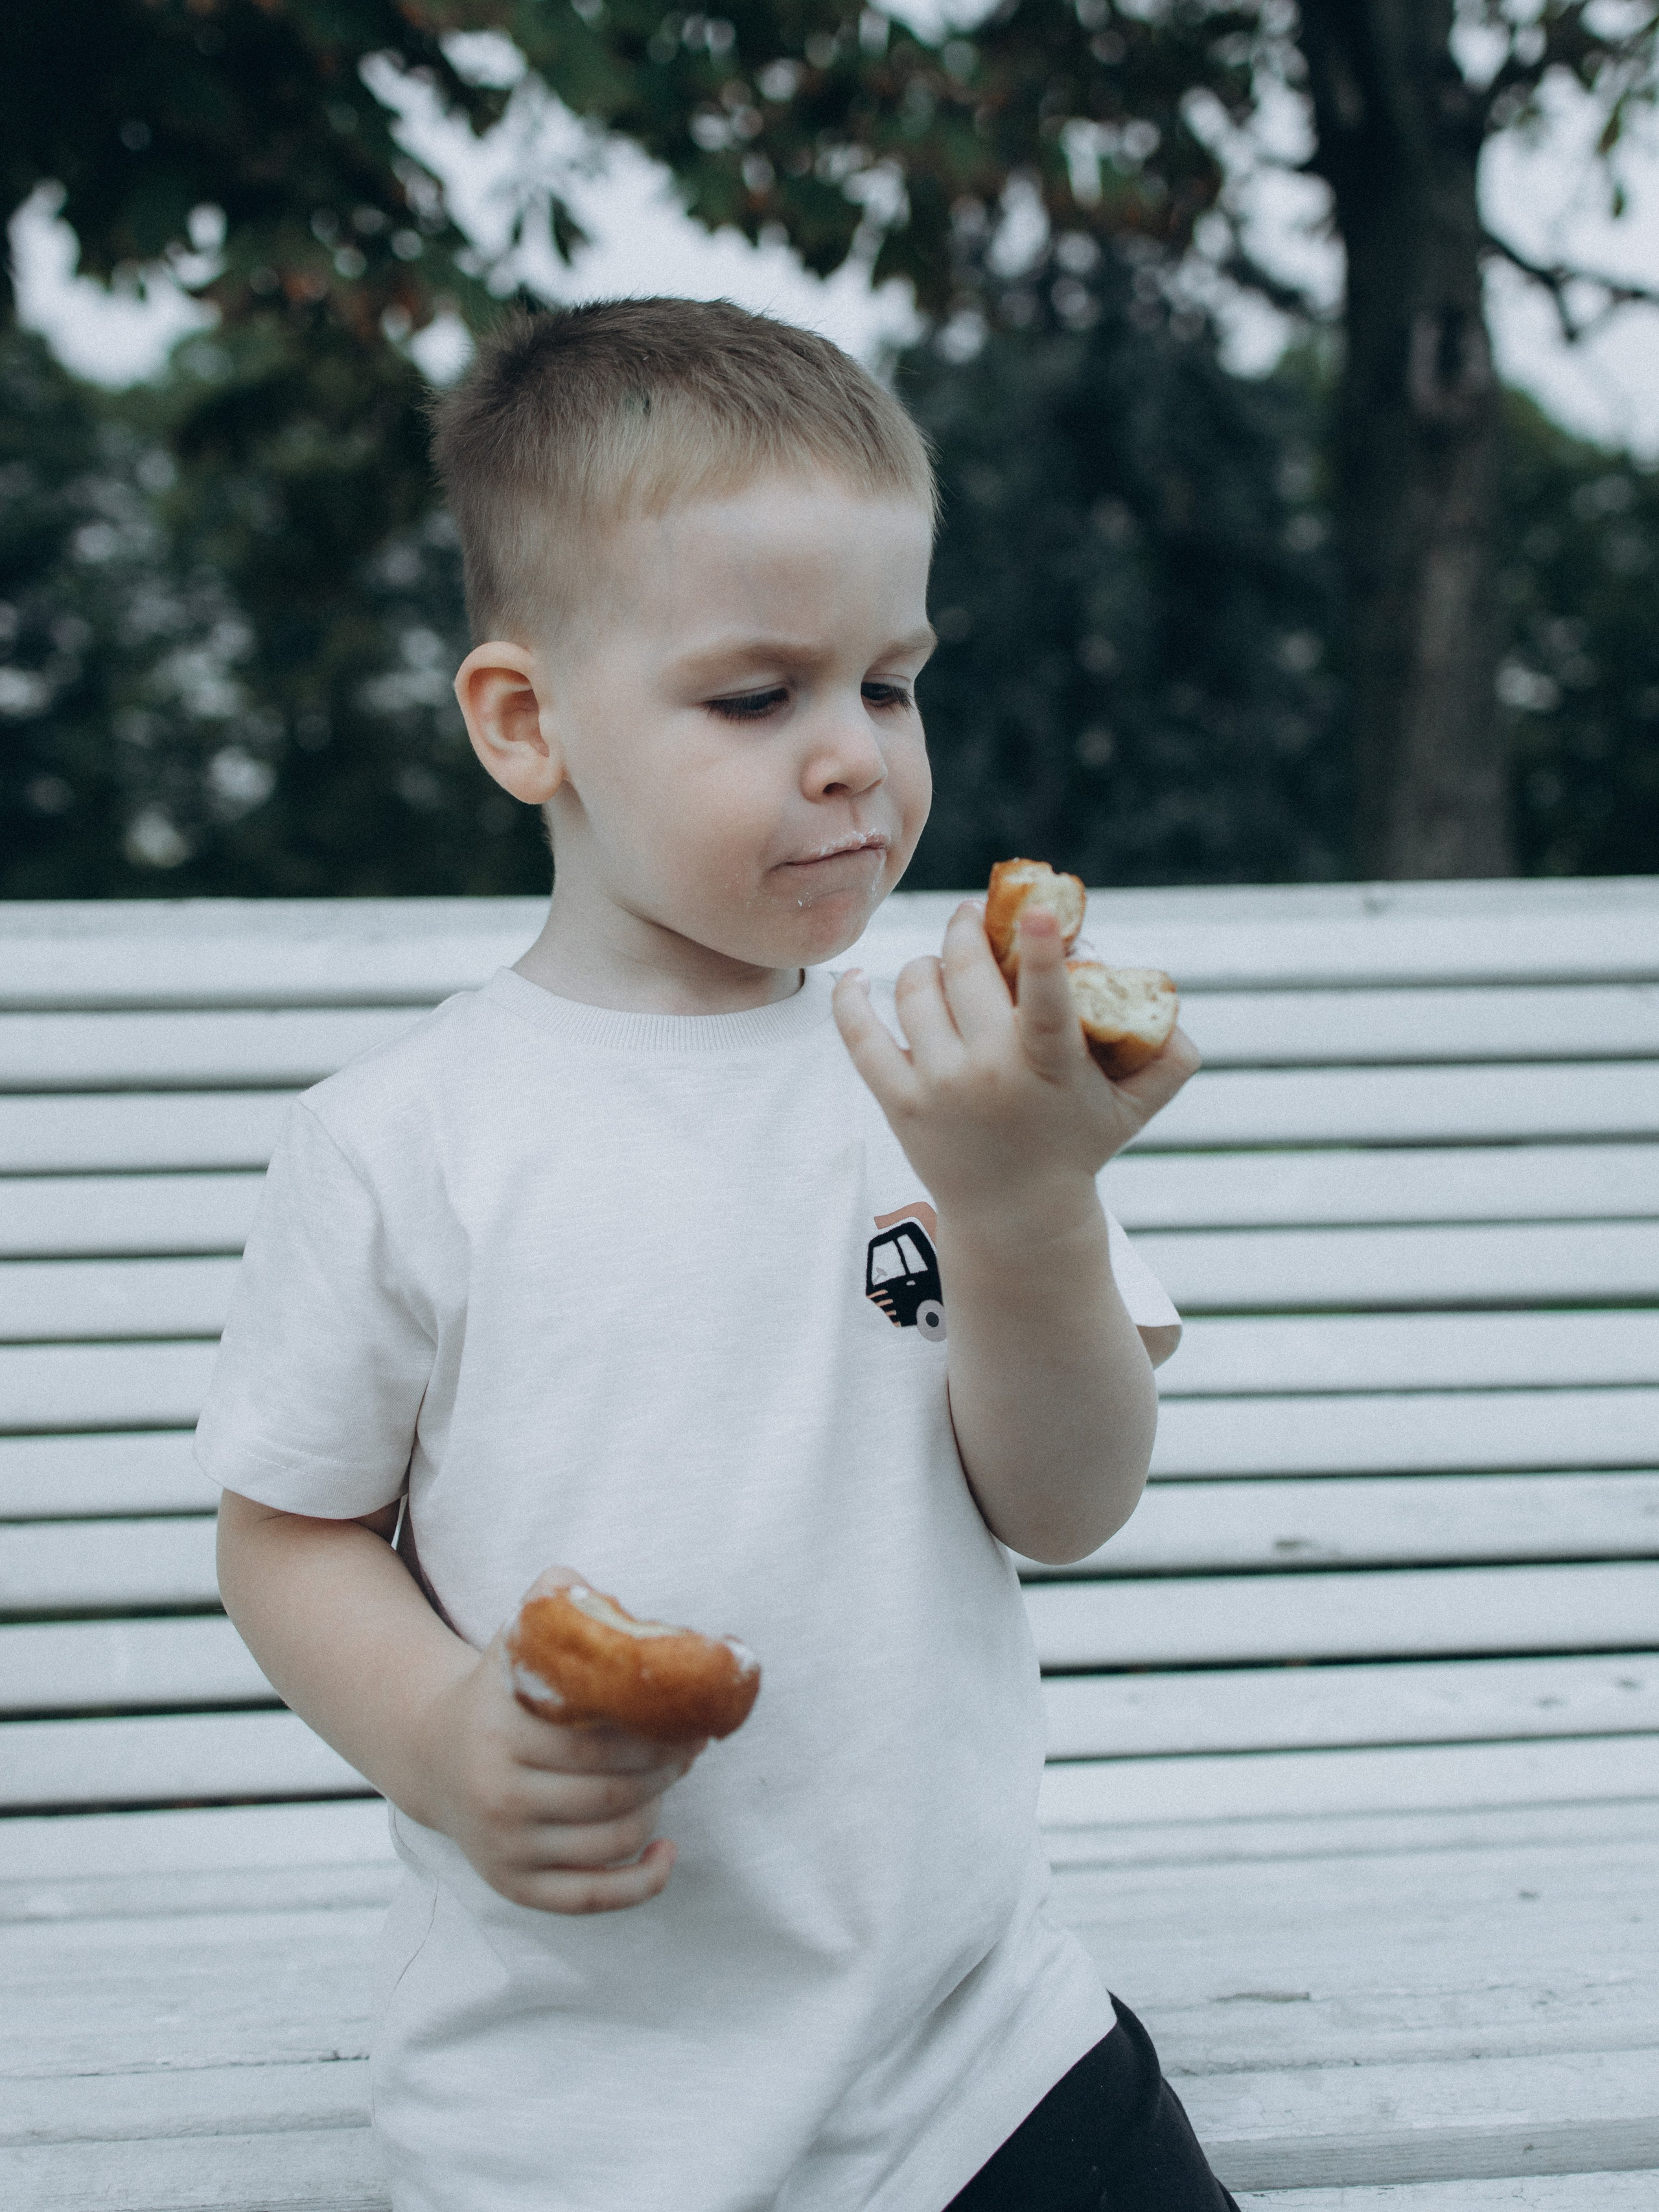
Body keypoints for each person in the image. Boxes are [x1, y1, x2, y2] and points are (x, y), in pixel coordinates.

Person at [203, 297, 1229, 2212]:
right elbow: (288, 1531)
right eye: (759, 699)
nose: (854, 759)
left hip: (982, 2053)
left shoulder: (949, 1070)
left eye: (893, 683)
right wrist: (438, 1734)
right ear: (529, 724)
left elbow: (1069, 1500)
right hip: (581, 2116)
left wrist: (1027, 1214)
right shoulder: (407, 1140)